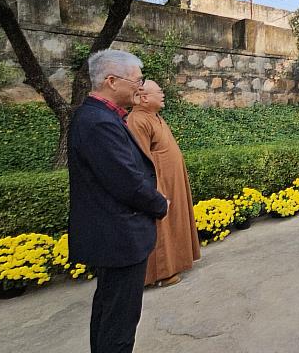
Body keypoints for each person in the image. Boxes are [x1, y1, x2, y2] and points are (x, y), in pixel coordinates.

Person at [68, 49, 169, 353]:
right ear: (112, 81)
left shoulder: (100, 116)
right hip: (118, 236)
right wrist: (159, 203)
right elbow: (126, 181)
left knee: (109, 312)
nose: (140, 87)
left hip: (114, 234)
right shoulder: (98, 122)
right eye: (136, 81)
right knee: (119, 322)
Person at [127, 80, 201, 288]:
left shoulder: (154, 117)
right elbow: (140, 160)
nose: (163, 95)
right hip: (159, 184)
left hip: (172, 182)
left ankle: (175, 263)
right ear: (144, 97)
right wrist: (153, 191)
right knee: (161, 227)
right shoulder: (137, 120)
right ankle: (161, 273)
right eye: (159, 92)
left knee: (175, 222)